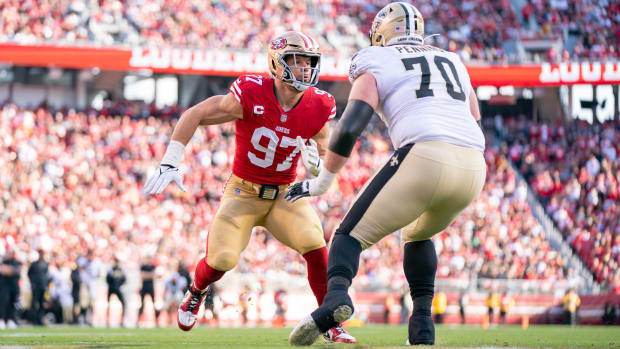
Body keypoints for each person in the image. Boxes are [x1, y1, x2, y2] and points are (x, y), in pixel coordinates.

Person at [286, 2, 486, 345]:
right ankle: (422, 325)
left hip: (425, 154)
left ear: (382, 32)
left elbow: (351, 126)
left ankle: (336, 298)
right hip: (473, 166)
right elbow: (474, 117)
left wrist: (324, 180)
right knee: (418, 233)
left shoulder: (376, 58)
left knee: (347, 236)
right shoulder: (452, 60)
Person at [143, 31, 355, 343]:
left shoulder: (319, 105)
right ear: (276, 62)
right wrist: (172, 158)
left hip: (285, 194)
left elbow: (327, 160)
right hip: (244, 191)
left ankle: (329, 321)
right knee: (223, 259)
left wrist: (317, 171)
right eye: (296, 61)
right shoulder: (251, 91)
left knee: (316, 246)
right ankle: (196, 290)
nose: (304, 68)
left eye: (308, 62)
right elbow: (196, 114)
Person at [0, 250, 22, 329]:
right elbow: (3, 271)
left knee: (13, 303)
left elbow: (17, 271)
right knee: (3, 302)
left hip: (14, 286)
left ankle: (11, 320)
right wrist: (11, 270)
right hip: (4, 286)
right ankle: (2, 319)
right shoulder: (4, 261)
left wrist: (8, 270)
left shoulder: (18, 262)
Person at [28, 250, 49, 325]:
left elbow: (47, 276)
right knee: (34, 303)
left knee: (42, 304)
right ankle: (33, 319)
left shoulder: (46, 264)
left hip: (43, 287)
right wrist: (33, 283)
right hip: (36, 286)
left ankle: (41, 319)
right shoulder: (34, 264)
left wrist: (46, 286)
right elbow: (29, 274)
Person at [106, 258, 127, 326]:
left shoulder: (121, 270)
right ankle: (107, 320)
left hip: (118, 289)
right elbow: (107, 279)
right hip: (111, 288)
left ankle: (122, 320)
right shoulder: (110, 270)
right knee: (108, 304)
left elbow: (124, 279)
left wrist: (119, 285)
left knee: (123, 303)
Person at [137, 255, 159, 324]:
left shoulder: (153, 266)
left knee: (153, 303)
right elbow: (142, 276)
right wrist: (150, 275)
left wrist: (147, 275)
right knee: (142, 304)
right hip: (144, 287)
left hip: (151, 287)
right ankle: (138, 320)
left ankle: (157, 320)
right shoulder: (143, 267)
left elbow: (153, 275)